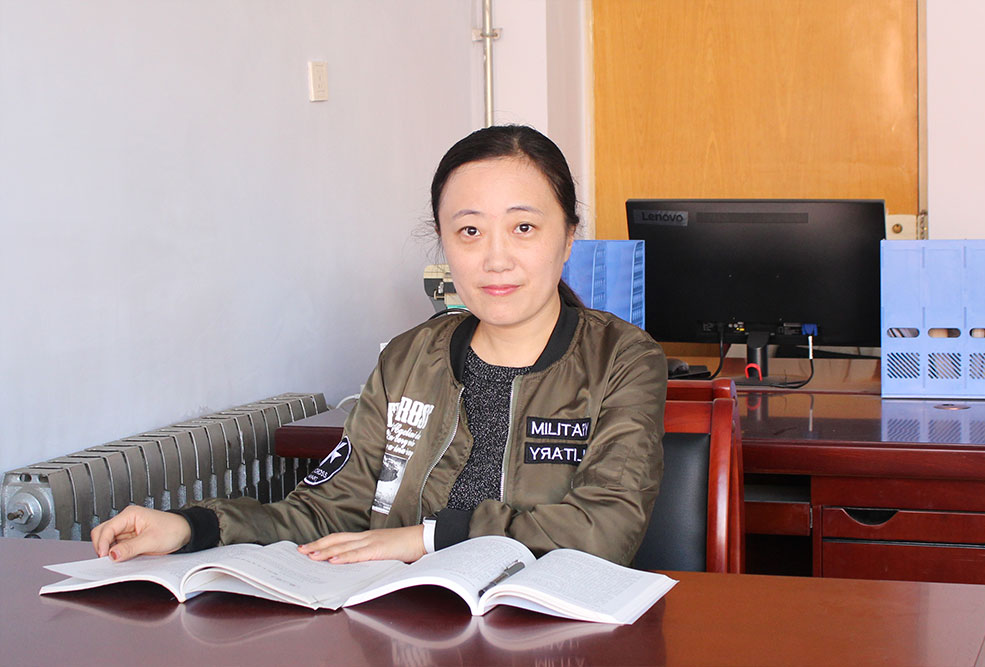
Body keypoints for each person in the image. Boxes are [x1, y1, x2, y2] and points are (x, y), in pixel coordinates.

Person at [91, 125, 667, 567]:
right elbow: (326, 511)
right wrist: (194, 526)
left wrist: (424, 539)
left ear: (567, 237)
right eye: (469, 231)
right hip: (406, 627)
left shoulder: (622, 359)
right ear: (443, 241)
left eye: (523, 228)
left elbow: (605, 529)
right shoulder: (407, 360)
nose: (495, 258)